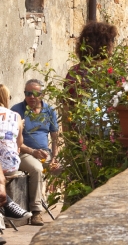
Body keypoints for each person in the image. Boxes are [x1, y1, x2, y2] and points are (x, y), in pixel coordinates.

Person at [10, 80, 58, 224]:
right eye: (28, 93)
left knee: (62, 168)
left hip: (45, 153)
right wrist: (32, 151)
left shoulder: (49, 111)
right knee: (37, 169)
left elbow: (55, 138)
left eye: (35, 93)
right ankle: (36, 212)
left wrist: (55, 157)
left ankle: (71, 206)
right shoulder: (17, 110)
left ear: (41, 94)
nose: (31, 97)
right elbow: (13, 140)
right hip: (23, 153)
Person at [0, 86, 32, 224]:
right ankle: (8, 206)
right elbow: (19, 143)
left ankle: (7, 206)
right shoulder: (16, 116)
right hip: (11, 164)